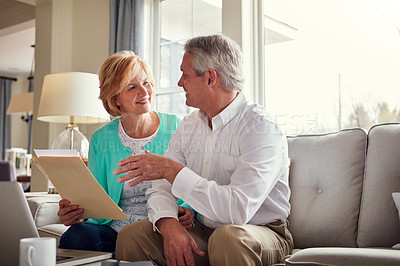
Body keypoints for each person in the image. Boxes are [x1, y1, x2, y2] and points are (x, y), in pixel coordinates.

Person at [114, 35, 294, 265]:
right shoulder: (190, 125)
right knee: (133, 237)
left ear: (210, 78)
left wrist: (173, 171)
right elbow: (161, 188)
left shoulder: (260, 128)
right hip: (204, 230)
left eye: (185, 74)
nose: (180, 83)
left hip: (260, 232)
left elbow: (236, 212)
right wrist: (168, 225)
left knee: (227, 237)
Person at [57, 51, 195, 253]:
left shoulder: (177, 126)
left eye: (146, 83)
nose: (144, 91)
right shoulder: (100, 139)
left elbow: (193, 181)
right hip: (115, 231)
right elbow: (97, 200)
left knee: (134, 242)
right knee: (76, 235)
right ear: (115, 98)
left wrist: (188, 210)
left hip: (162, 226)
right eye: (132, 87)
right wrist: (78, 213)